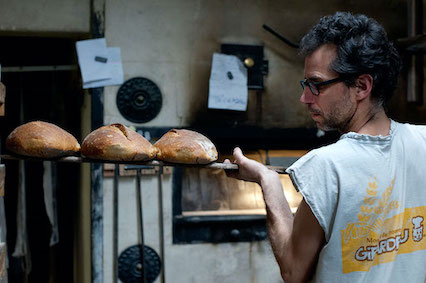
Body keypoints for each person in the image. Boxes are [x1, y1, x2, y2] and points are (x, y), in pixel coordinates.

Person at [225, 12, 426, 282]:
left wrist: (267, 180)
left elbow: (294, 271)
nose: (304, 98)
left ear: (362, 86)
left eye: (317, 85)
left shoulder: (326, 165)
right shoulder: (423, 141)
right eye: (305, 84)